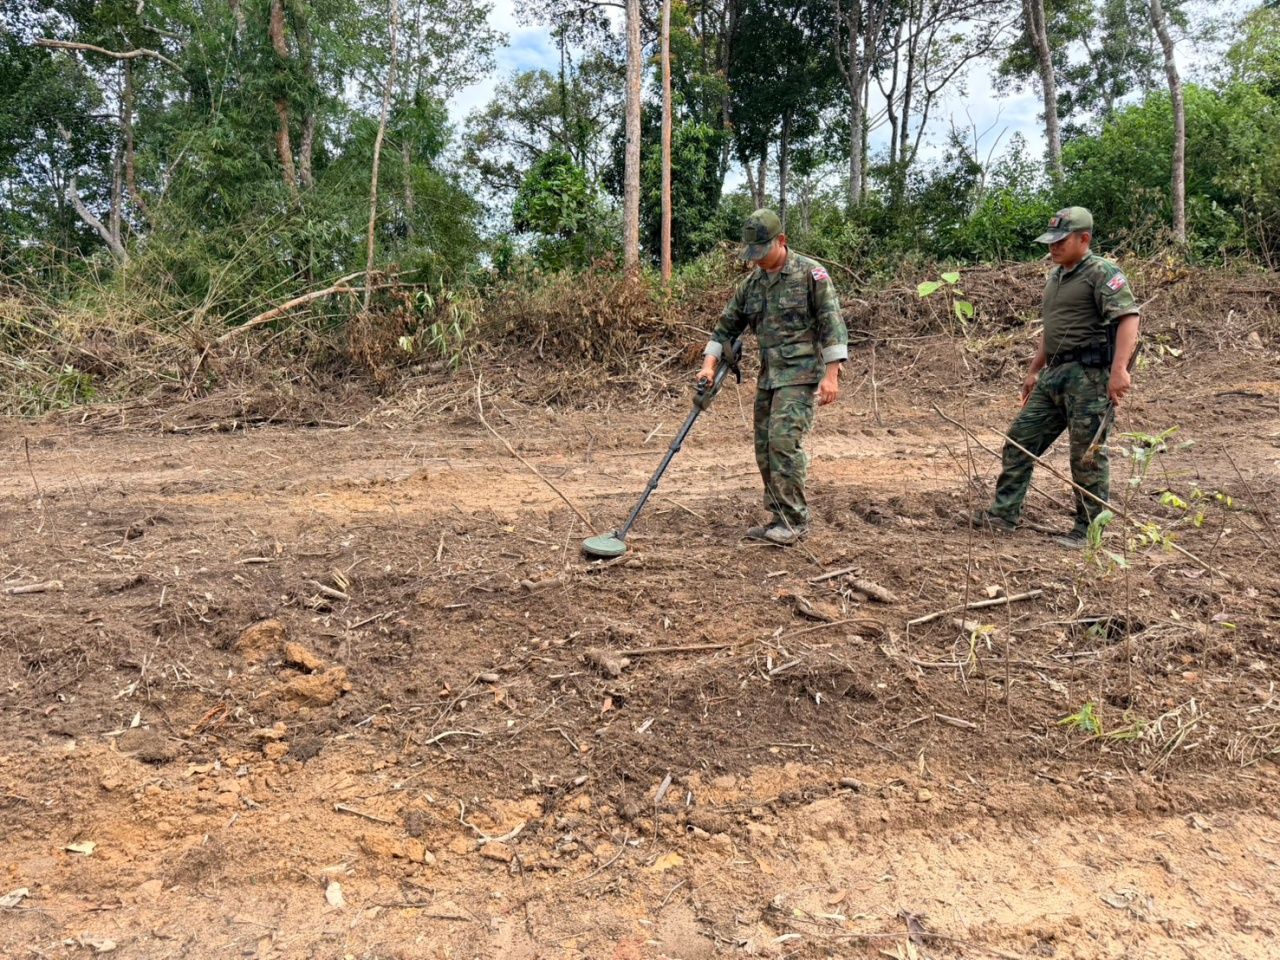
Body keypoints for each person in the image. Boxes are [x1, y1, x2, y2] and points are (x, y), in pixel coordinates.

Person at [972, 206, 1140, 548]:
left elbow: (1128, 319)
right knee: (1020, 439)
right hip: (1055, 373)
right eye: (1050, 242)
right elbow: (1051, 331)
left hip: (1090, 376)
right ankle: (1004, 514)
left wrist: (1120, 369)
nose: (1053, 248)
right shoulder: (1057, 276)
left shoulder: (1101, 272)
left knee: (1086, 455)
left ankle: (1088, 531)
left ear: (1084, 239)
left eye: (1061, 241)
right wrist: (1035, 370)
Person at [697, 209, 848, 545]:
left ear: (782, 241)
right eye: (753, 254)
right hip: (769, 377)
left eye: (762, 252)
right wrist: (708, 366)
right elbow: (724, 328)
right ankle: (778, 517)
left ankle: (795, 521)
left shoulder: (811, 274)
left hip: (801, 373)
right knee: (764, 447)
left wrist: (832, 374)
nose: (758, 260)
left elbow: (832, 324)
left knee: (783, 442)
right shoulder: (751, 285)